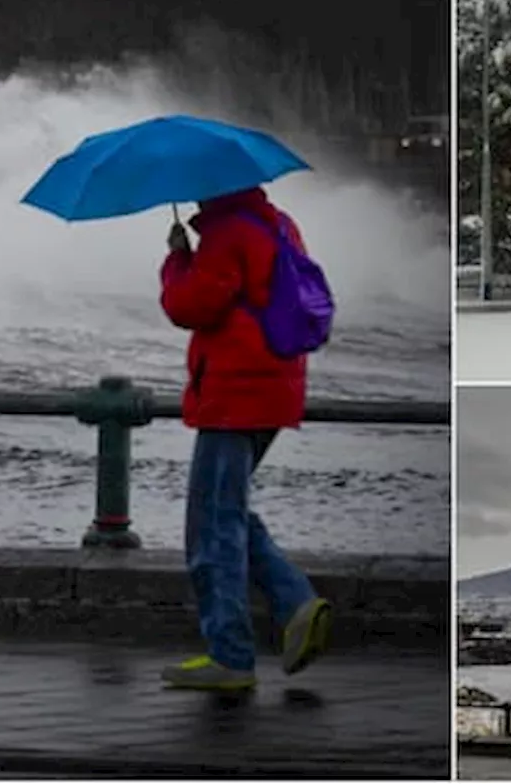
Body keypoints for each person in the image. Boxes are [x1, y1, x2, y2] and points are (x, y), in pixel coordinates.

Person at [156, 186, 332, 690]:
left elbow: (190, 306)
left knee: (211, 524)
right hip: (274, 387)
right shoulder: (278, 223)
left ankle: (231, 656)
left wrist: (175, 261)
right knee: (224, 510)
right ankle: (295, 603)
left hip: (235, 393)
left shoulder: (226, 233)